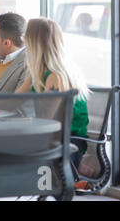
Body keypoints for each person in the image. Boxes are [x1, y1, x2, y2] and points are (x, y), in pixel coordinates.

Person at [14, 17, 90, 168]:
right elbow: (14, 100)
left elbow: (47, 121)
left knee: (5, 147)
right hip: (53, 138)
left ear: (35, 43)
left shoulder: (56, 76)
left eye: (26, 38)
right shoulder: (40, 72)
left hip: (67, 142)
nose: (24, 44)